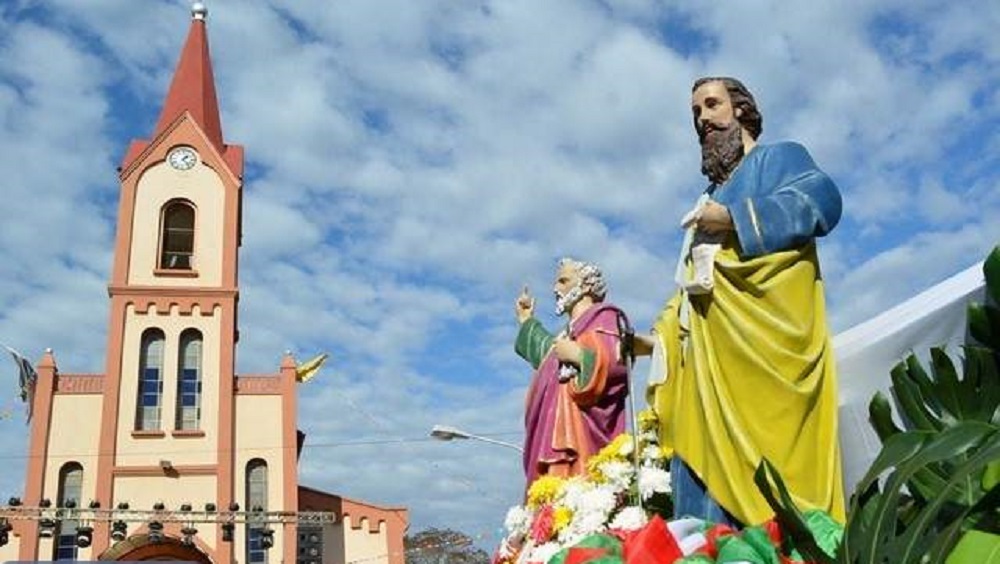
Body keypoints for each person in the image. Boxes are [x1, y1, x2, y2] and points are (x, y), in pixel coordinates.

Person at [645, 76, 846, 526]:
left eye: (711, 105)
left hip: (763, 351)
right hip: (707, 364)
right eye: (696, 113)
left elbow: (822, 201)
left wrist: (735, 217)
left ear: (741, 109)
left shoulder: (779, 158)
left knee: (770, 490)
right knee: (700, 497)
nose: (702, 119)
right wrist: (653, 341)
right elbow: (689, 286)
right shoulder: (707, 198)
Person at [515, 258, 630, 486]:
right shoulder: (569, 332)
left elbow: (615, 364)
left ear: (586, 285)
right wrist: (526, 320)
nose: (555, 288)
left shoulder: (604, 318)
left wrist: (578, 355)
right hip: (553, 429)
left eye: (563, 281)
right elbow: (549, 355)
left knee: (576, 486)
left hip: (580, 435)